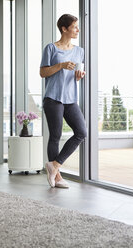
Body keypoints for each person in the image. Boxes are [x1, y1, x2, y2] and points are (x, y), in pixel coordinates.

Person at [40, 14, 87, 189]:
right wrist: (60, 65)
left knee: (81, 132)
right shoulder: (51, 48)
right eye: (74, 27)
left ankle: (54, 165)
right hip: (53, 97)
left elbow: (78, 72)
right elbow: (43, 73)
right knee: (55, 136)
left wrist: (80, 75)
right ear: (64, 29)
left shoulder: (79, 51)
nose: (77, 30)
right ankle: (57, 177)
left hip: (71, 98)